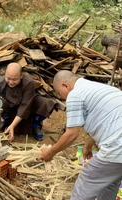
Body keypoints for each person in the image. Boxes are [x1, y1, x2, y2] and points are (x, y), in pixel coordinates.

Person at [39, 70, 122, 199]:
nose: (63, 98)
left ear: (65, 85)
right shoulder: (99, 88)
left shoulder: (75, 95)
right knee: (110, 182)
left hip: (117, 148)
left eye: (60, 94)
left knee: (86, 181)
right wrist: (88, 146)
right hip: (119, 153)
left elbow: (72, 134)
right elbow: (103, 121)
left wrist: (50, 153)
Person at [0, 62, 55, 142]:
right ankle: (6, 122)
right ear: (5, 74)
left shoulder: (29, 82)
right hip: (10, 107)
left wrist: (13, 126)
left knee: (46, 104)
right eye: (8, 78)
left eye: (14, 79)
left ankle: (34, 125)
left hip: (28, 106)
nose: (11, 82)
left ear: (21, 76)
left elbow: (25, 105)